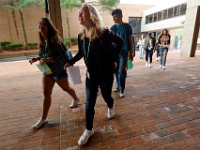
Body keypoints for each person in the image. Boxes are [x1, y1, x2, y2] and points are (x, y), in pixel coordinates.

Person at [64, 4, 123, 145]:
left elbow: (120, 42)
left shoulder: (104, 32)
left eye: (81, 13)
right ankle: (89, 129)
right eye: (78, 13)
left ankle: (110, 106)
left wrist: (114, 59)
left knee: (106, 96)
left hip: (106, 74)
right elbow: (80, 53)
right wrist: (70, 62)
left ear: (91, 15)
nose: (79, 16)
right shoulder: (81, 35)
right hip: (91, 76)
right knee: (89, 103)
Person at [29, 18, 80, 130]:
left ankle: (76, 98)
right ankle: (44, 118)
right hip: (47, 72)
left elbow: (64, 57)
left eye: (44, 25)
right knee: (46, 93)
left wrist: (47, 59)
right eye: (40, 25)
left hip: (59, 71)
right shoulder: (42, 42)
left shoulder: (56, 41)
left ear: (48, 28)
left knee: (66, 89)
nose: (41, 27)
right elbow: (43, 56)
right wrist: (37, 58)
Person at [110, 8, 135, 98]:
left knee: (121, 71)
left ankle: (122, 89)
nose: (114, 18)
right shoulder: (112, 28)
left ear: (121, 16)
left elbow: (131, 40)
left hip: (124, 53)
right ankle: (118, 86)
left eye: (116, 16)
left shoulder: (127, 26)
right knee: (116, 71)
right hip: (115, 54)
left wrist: (132, 53)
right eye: (113, 17)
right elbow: (110, 43)